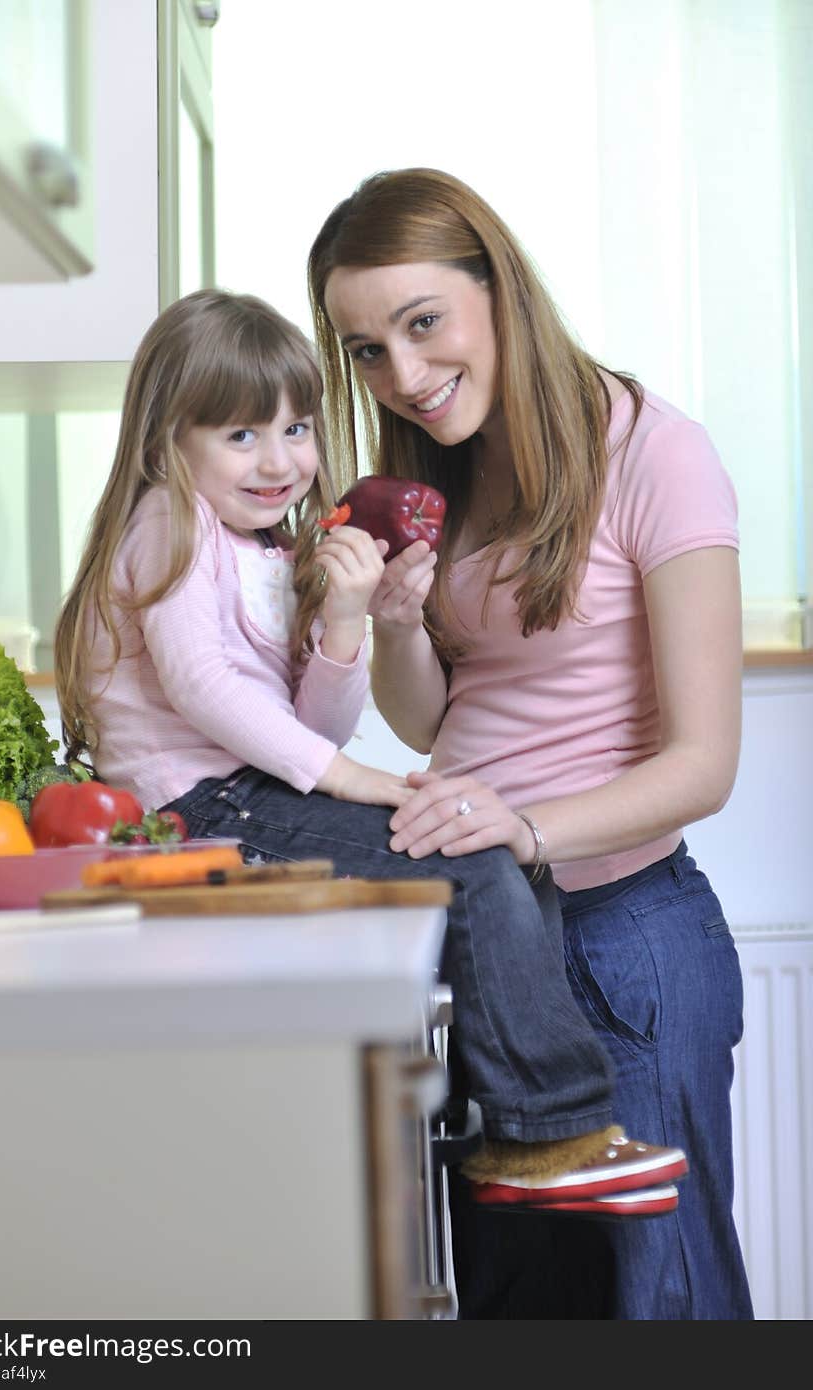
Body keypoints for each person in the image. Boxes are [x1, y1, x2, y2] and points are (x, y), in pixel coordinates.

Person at [54, 287, 686, 1229]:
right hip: (192, 807)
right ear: (167, 444)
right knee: (466, 855)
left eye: (298, 429)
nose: (282, 462)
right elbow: (207, 694)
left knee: (498, 857)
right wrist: (357, 782)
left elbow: (319, 720)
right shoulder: (170, 523)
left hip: (252, 791)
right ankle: (548, 1130)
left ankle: (509, 1129)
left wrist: (347, 620)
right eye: (240, 436)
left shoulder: (267, 548)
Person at [307, 168, 753, 1320]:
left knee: (658, 1298)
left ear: (496, 289)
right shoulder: (442, 475)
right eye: (365, 350)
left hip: (619, 944)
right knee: (521, 1306)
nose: (401, 377)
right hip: (486, 939)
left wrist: (528, 826)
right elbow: (431, 721)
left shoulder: (656, 451)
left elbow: (703, 763)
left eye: (421, 324)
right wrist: (398, 621)